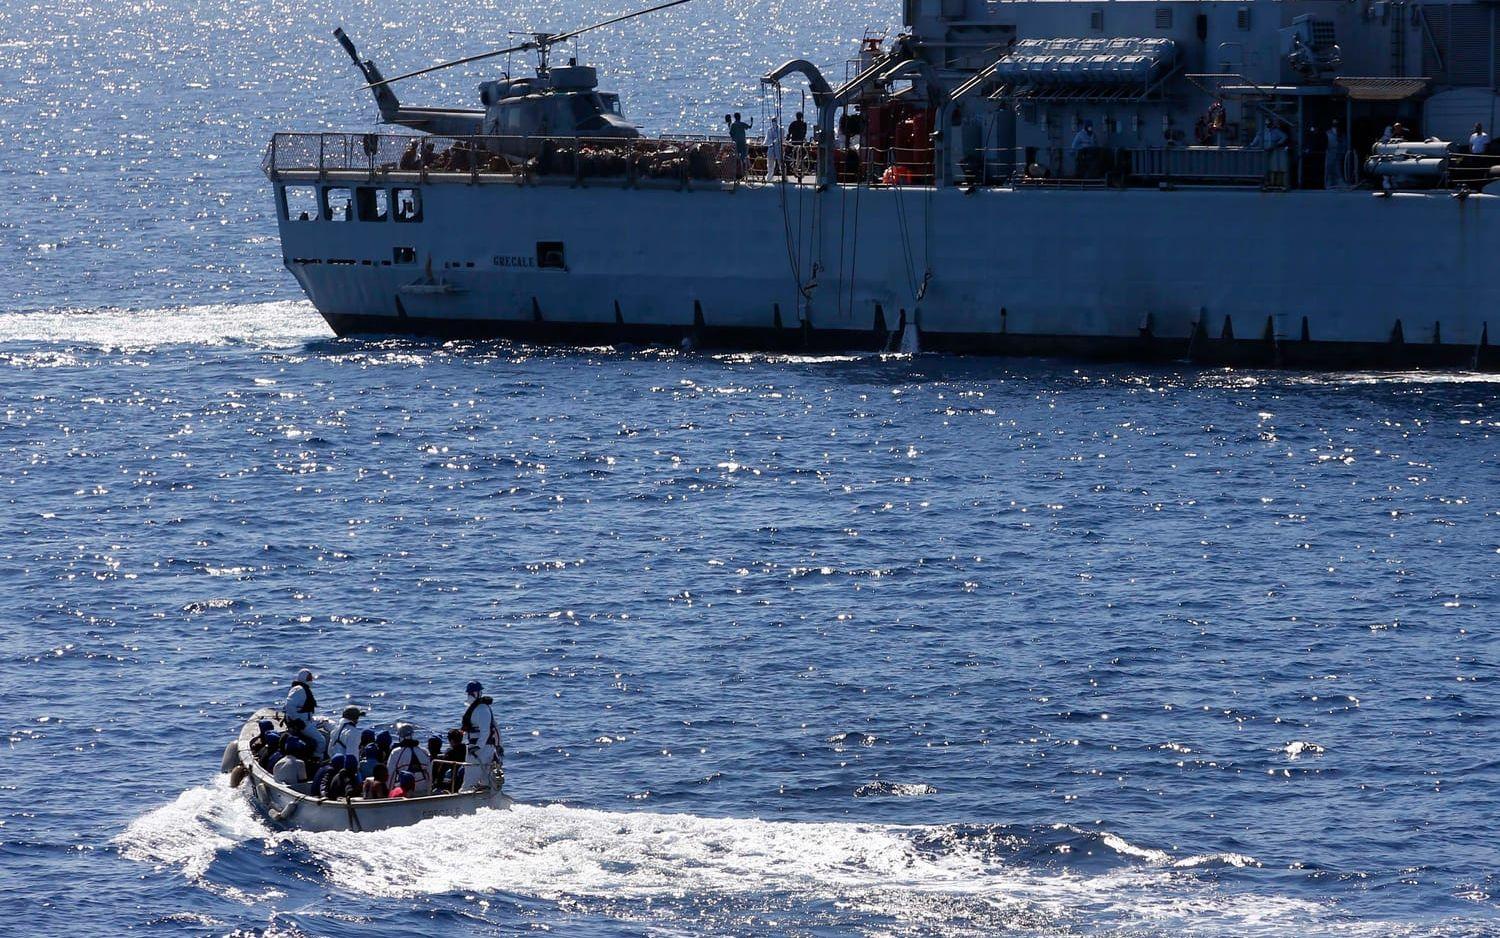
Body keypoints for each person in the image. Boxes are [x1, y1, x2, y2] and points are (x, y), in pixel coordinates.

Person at [461, 681, 503, 792]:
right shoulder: (474, 708)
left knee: (471, 775)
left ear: (477, 693)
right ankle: (484, 796)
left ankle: (466, 794)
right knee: (483, 776)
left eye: (471, 693)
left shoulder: (482, 709)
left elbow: (485, 731)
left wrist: (478, 746)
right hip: (476, 747)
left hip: (481, 749)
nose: (469, 695)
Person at [386, 724, 433, 795]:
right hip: (423, 789)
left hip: (405, 791)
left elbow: (391, 775)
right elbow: (429, 775)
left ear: (400, 736)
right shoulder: (424, 751)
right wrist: (428, 793)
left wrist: (388, 794)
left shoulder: (395, 753)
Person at [1249, 118, 1289, 187]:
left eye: (1269, 124)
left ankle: (1272, 182)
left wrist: (1277, 144)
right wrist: (1250, 146)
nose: (1268, 125)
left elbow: (1284, 136)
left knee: (1272, 167)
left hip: (1274, 151)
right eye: (1267, 124)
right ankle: (1265, 181)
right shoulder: (1262, 132)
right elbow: (1255, 141)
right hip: (1264, 152)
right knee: (1264, 167)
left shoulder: (1276, 131)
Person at [727, 112, 754, 178]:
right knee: (743, 158)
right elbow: (750, 127)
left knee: (736, 158)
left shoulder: (733, 125)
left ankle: (737, 173)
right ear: (740, 117)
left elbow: (731, 133)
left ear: (734, 117)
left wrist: (729, 125)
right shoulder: (742, 124)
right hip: (742, 143)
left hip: (736, 143)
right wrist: (752, 121)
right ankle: (744, 172)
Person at [1325, 120, 1347, 189]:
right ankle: (1329, 182)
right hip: (1330, 153)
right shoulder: (1327, 133)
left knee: (1337, 168)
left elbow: (1344, 144)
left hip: (1338, 154)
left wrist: (1343, 152)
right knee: (1329, 168)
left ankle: (1338, 182)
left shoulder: (1341, 134)